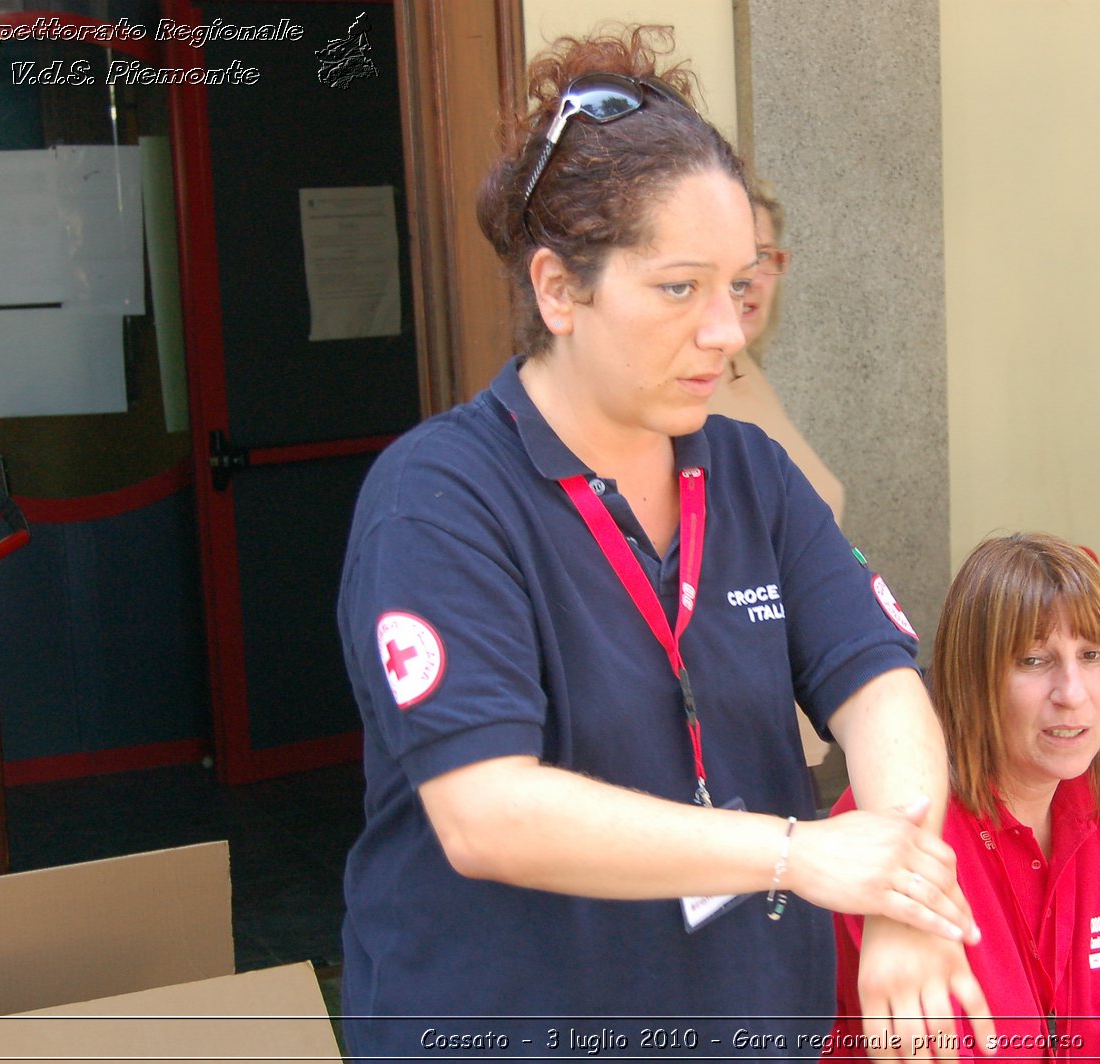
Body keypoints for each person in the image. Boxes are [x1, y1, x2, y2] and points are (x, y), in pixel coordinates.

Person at [336, 26, 992, 1061]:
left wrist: (903, 882)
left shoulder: (749, 474)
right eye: (679, 287)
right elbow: (487, 810)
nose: (727, 329)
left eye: (739, 284)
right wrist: (800, 852)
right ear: (558, 290)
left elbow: (879, 684)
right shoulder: (439, 497)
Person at [831, 533, 1100, 1062]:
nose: (1072, 693)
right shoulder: (891, 823)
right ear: (972, 677)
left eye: (1093, 654)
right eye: (1034, 661)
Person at [708, 180, 843, 770]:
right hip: (733, 728)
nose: (755, 277)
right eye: (740, 257)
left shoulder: (742, 373)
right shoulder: (690, 393)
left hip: (788, 710)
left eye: (766, 257)